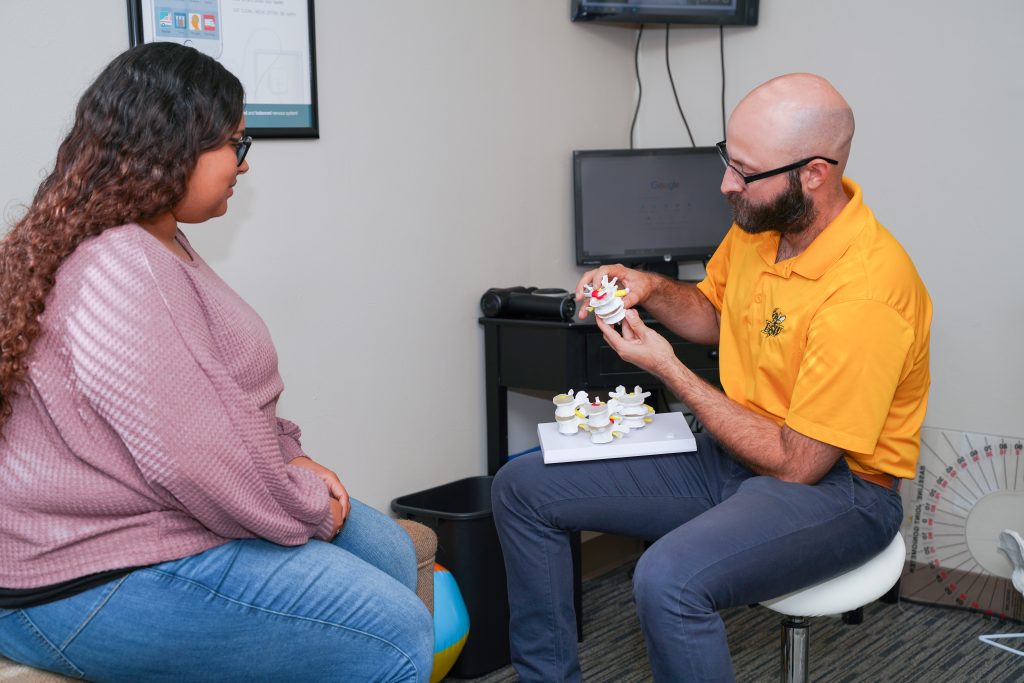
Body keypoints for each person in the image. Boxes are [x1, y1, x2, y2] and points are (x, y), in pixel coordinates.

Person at [0, 43, 432, 682]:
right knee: (395, 636)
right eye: (235, 143)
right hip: (79, 576)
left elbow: (225, 393)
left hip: (151, 516)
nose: (243, 164)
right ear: (170, 147)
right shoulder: (118, 266)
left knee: (390, 551)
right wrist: (304, 500)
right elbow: (197, 459)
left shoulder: (160, 236)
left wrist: (288, 454)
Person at [492, 73, 931, 682]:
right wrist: (649, 285)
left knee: (668, 580)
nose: (727, 184)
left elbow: (798, 463)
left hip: (839, 491)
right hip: (732, 454)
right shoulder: (763, 227)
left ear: (815, 173)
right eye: (728, 160)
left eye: (745, 172)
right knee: (522, 487)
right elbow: (713, 313)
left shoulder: (869, 293)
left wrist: (670, 370)